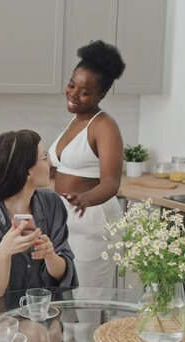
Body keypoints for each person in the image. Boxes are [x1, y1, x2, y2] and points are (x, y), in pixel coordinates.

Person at [0, 130, 78, 299]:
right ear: (26, 171)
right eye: (45, 156)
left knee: (47, 327)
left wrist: (50, 256)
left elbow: (64, 276)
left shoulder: (51, 202)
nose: (51, 163)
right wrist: (4, 252)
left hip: (44, 312)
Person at [48, 40, 126, 288]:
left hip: (92, 217)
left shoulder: (104, 126)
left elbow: (112, 182)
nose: (73, 94)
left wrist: (86, 199)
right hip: (66, 218)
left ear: (101, 95)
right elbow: (62, 168)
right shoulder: (75, 121)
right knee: (66, 303)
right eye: (72, 85)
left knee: (85, 303)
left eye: (84, 91)